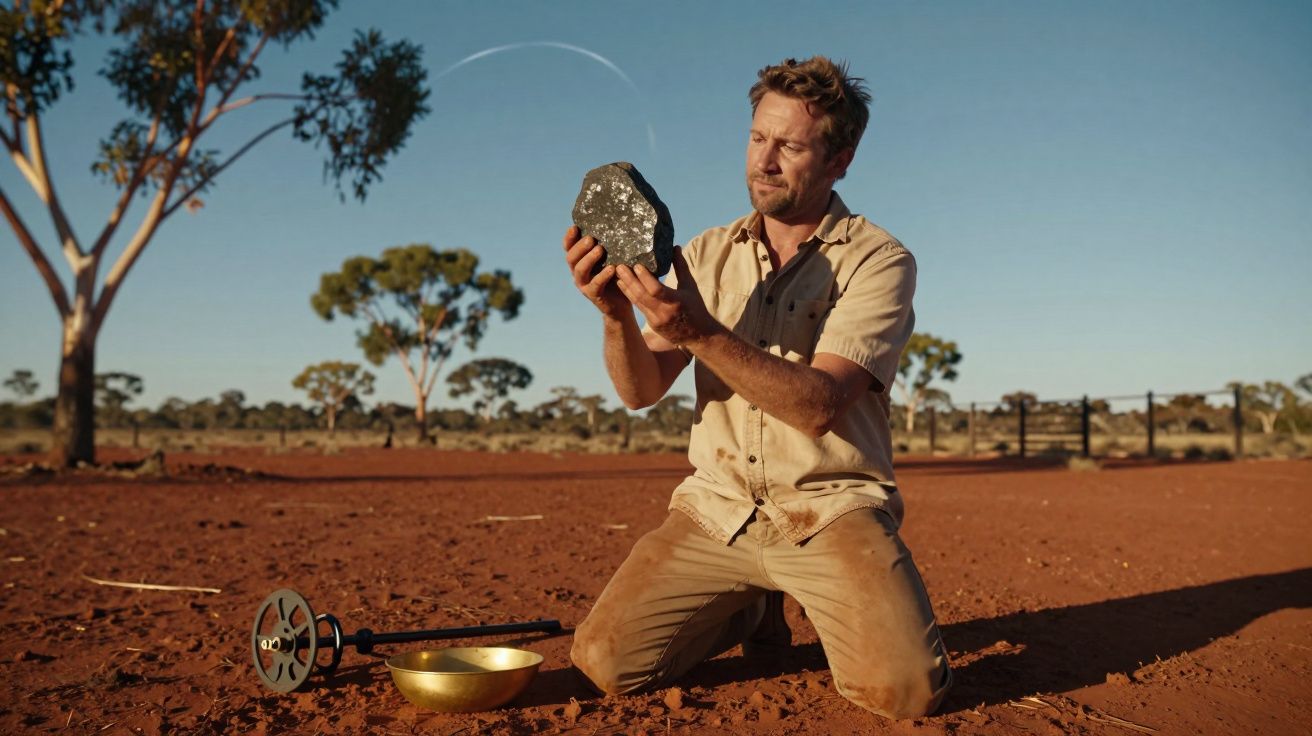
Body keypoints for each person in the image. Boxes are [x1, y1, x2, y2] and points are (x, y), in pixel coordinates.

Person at [562, 56, 952, 719]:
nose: (764, 161)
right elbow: (640, 389)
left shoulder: (878, 261)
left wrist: (698, 330)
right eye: (757, 138)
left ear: (839, 160)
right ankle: (749, 607)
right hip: (718, 510)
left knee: (905, 694)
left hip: (826, 511)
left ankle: (788, 592)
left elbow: (819, 404)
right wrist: (614, 315)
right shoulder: (708, 253)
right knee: (605, 663)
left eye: (790, 146)